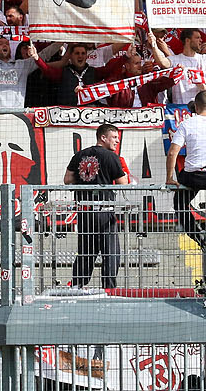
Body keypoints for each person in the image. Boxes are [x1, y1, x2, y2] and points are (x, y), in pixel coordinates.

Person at [165, 90, 206, 249]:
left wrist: (169, 177)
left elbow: (173, 152)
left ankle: (198, 237)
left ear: (195, 107)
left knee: (180, 205)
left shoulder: (186, 124)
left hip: (193, 176)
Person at [64, 124, 129, 290]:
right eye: (114, 137)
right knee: (110, 252)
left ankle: (77, 285)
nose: (117, 140)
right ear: (103, 138)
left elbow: (68, 179)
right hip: (104, 211)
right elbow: (123, 183)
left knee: (86, 251)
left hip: (85, 211)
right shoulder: (111, 156)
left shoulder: (80, 155)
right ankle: (108, 288)